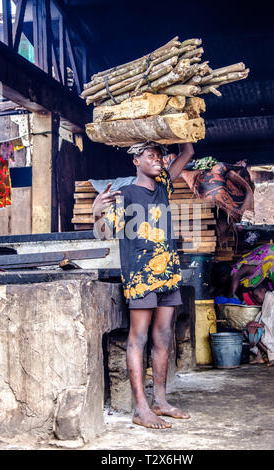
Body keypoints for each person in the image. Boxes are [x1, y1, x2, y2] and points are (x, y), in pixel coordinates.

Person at [93, 141, 194, 429]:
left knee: (163, 336)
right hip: (140, 277)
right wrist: (97, 210)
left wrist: (182, 131)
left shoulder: (163, 187)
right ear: (136, 161)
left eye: (160, 156)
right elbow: (105, 233)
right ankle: (141, 409)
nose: (159, 161)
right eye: (151, 156)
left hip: (168, 274)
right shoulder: (124, 195)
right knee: (138, 338)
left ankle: (160, 402)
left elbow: (188, 154)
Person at [230, 243, 274, 316]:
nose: (260, 300)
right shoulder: (254, 280)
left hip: (272, 252)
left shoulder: (241, 276)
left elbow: (236, 275)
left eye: (256, 296)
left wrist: (231, 296)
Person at [247, 281, 274, 367]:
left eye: (257, 296)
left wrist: (257, 325)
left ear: (263, 290)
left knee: (255, 334)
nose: (257, 299)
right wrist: (254, 324)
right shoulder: (268, 303)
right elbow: (266, 321)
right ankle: (260, 357)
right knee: (251, 331)